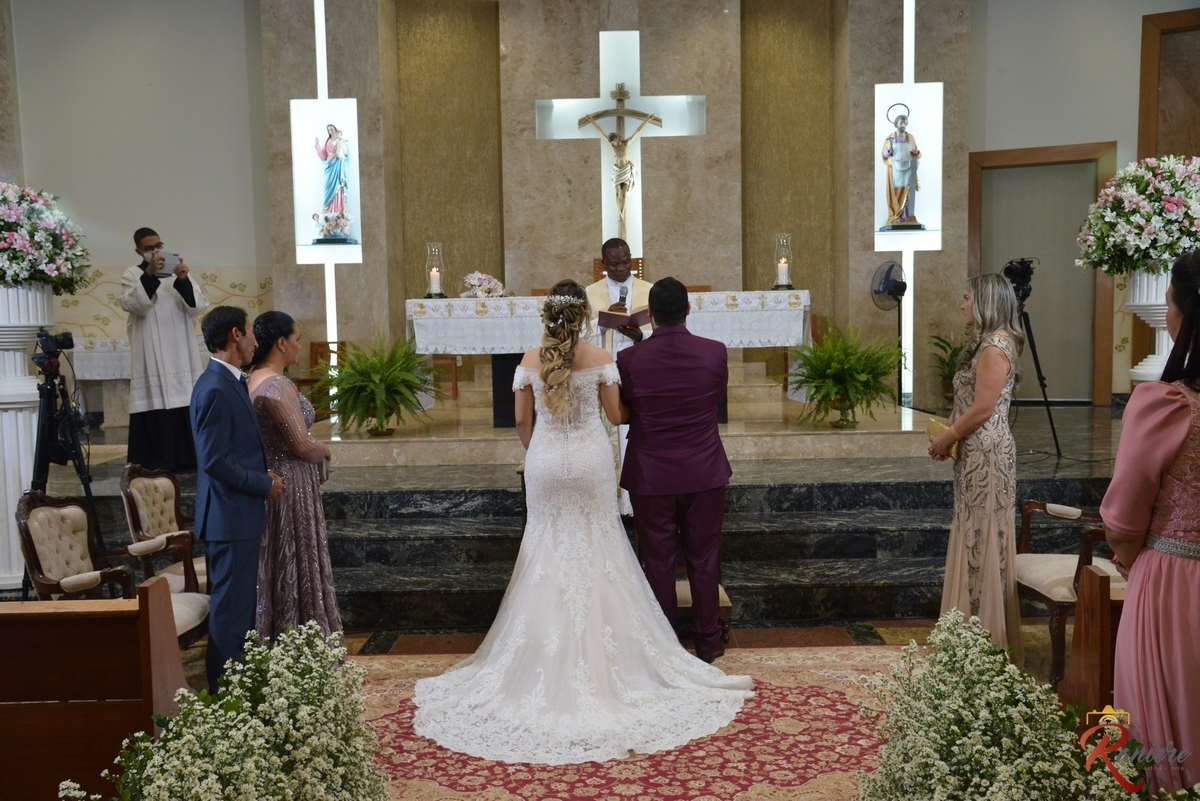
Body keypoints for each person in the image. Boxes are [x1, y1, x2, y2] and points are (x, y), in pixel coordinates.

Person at [412, 279, 752, 765]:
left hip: (551, 464)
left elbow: (523, 424)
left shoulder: (533, 361)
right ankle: (678, 646)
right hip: (603, 463)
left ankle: (542, 652)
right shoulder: (611, 359)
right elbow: (616, 417)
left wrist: (543, 452)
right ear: (585, 318)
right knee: (609, 546)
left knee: (546, 550)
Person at [1101, 251, 1200, 793]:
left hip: (1172, 585)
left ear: (1184, 313)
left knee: (1162, 731)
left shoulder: (1167, 405)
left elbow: (1122, 518)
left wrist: (1130, 554)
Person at [618, 277, 733, 663]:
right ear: (688, 309)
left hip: (651, 473)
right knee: (704, 559)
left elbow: (629, 407)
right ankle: (707, 642)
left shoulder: (629, 359)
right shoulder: (715, 352)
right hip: (703, 469)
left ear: (649, 314)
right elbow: (712, 399)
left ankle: (666, 646)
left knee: (659, 561)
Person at [930, 273, 1024, 665]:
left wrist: (947, 435)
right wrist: (950, 431)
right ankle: (969, 629)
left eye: (967, 298)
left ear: (985, 301)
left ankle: (983, 638)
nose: (962, 305)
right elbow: (971, 400)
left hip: (986, 454)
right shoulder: (987, 344)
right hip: (975, 452)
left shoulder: (995, 346)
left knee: (982, 533)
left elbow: (984, 409)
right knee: (973, 531)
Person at [191, 306, 284, 692]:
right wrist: (262, 483)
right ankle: (226, 695)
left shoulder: (228, 381)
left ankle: (237, 685)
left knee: (240, 607)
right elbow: (214, 460)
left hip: (237, 516)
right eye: (249, 333)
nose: (255, 341)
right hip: (228, 519)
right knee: (230, 611)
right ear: (234, 335)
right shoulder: (213, 387)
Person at [246, 310, 342, 642]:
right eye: (297, 339)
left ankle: (273, 637)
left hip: (272, 477)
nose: (300, 346)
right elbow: (300, 444)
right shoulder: (277, 385)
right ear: (281, 342)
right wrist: (325, 450)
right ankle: (303, 639)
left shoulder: (252, 380)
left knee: (277, 558)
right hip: (291, 483)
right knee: (296, 558)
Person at [119, 227, 209, 471]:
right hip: (151, 353)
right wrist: (149, 275)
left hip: (181, 351)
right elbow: (134, 305)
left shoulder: (177, 275)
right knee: (155, 402)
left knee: (185, 402)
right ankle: (154, 462)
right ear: (139, 251)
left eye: (158, 245)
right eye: (149, 248)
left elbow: (197, 305)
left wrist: (183, 280)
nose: (155, 251)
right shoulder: (131, 274)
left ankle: (189, 459)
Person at [586, 237, 652, 515]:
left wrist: (641, 335)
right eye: (615, 264)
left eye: (626, 261)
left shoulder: (649, 290)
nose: (622, 268)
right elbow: (580, 334)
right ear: (604, 264)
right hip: (606, 371)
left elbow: (662, 329)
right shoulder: (590, 293)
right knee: (610, 430)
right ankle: (611, 497)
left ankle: (636, 494)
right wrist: (602, 324)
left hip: (640, 370)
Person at [880, 113, 921, 226]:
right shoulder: (891, 138)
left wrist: (916, 153)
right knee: (895, 192)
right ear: (896, 124)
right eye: (901, 123)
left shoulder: (910, 137)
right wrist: (888, 150)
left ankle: (906, 216)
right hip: (894, 170)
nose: (903, 125)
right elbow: (884, 154)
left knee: (907, 192)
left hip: (908, 169)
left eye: (905, 123)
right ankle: (894, 215)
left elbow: (916, 150)